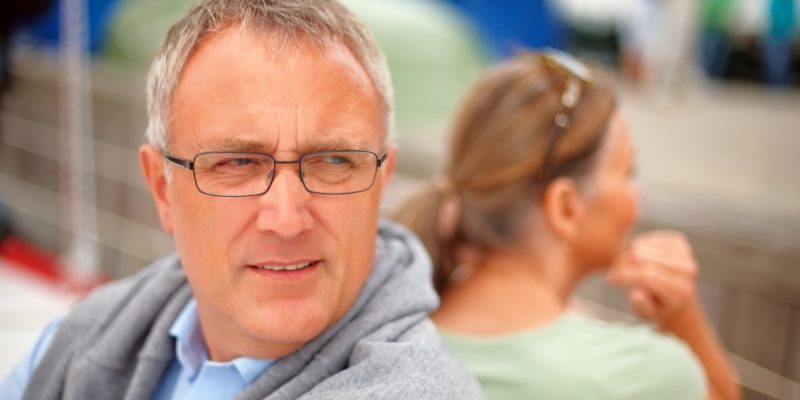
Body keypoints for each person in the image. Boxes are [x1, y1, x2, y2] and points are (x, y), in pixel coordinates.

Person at [0, 1, 484, 399]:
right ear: (162, 188)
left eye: (333, 162)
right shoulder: (88, 334)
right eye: (237, 163)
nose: (287, 218)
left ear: (382, 182)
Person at [394, 50, 740, 399]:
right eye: (628, 172)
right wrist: (683, 315)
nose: (636, 198)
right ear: (566, 208)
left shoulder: (397, 337)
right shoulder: (640, 374)